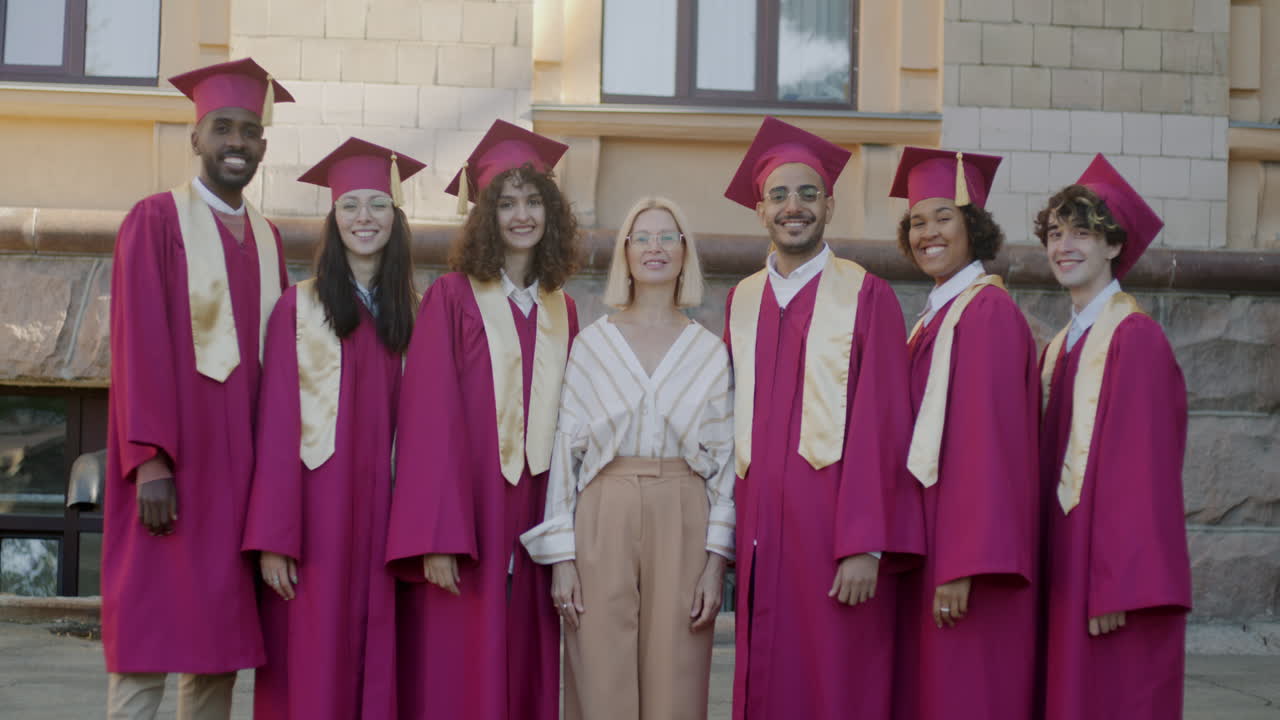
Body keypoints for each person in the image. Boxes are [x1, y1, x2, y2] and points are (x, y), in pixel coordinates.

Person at [101, 57, 293, 720]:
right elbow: (136, 343)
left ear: (263, 145)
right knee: (147, 638)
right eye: (223, 128)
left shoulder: (268, 239)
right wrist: (148, 461)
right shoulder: (155, 220)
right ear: (196, 138)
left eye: (249, 131)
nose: (237, 142)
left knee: (217, 650)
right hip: (174, 468)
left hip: (240, 481)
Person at [720, 116, 924, 720]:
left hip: (833, 537)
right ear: (761, 210)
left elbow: (884, 426)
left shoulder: (867, 296)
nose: (794, 206)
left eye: (808, 194)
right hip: (760, 531)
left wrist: (865, 544)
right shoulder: (742, 300)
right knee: (765, 679)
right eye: (779, 195)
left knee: (834, 681)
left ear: (829, 205)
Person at [385, 119, 581, 720]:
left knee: (527, 655)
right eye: (506, 203)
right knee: (462, 661)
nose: (521, 215)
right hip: (468, 515)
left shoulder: (563, 309)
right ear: (485, 215)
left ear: (550, 213)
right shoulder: (452, 297)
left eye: (533, 201)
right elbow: (427, 423)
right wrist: (438, 537)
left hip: (538, 510)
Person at [522, 197, 735, 720]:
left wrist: (716, 564)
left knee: (676, 677)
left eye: (667, 237)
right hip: (604, 508)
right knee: (600, 672)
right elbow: (565, 453)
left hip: (683, 508)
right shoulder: (592, 345)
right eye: (641, 237)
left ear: (684, 252)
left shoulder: (709, 351)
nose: (654, 248)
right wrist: (562, 559)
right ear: (626, 253)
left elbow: (726, 462)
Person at [241, 138, 425, 719]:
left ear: (396, 217)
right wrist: (274, 538)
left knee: (389, 663)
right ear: (333, 216)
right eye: (350, 205)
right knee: (313, 668)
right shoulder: (298, 309)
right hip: (316, 524)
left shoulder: (418, 314)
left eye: (378, 204)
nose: (364, 218)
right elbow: (275, 430)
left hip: (392, 522)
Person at [1035, 154, 1191, 720]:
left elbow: (1143, 475)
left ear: (1114, 245)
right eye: (1056, 233)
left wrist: (1117, 585)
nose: (1064, 246)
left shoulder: (1135, 339)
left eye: (1082, 232)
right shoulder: (1061, 346)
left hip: (1110, 584)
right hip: (1067, 565)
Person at [886, 148, 1040, 720]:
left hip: (966, 558)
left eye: (943, 217)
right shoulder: (937, 317)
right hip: (933, 543)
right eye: (917, 222)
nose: (928, 232)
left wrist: (963, 564)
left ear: (973, 226)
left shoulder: (986, 314)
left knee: (966, 696)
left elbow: (989, 449)